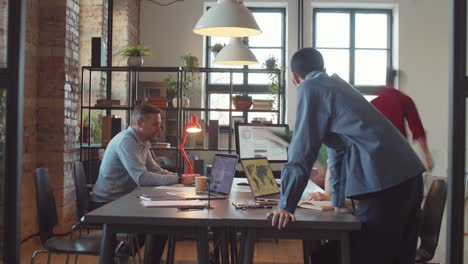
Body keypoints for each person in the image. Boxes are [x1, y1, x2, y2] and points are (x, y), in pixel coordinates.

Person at [267, 48, 425, 264]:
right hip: (410, 178)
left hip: (386, 185)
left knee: (335, 257)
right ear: (324, 69)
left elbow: (302, 148)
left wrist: (286, 205)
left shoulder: (310, 87)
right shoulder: (337, 86)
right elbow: (338, 149)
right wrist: (337, 200)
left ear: (295, 78)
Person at [91, 104, 193, 263]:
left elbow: (155, 169)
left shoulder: (142, 141)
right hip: (108, 203)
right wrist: (179, 179)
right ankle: (132, 254)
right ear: (139, 123)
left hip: (126, 197)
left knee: (162, 217)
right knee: (161, 222)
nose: (159, 128)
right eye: (155, 124)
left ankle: (124, 251)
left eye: (159, 124)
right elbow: (142, 178)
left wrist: (182, 177)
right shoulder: (127, 141)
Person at [371, 68, 433, 171]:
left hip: (377, 154)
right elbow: (418, 131)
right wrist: (427, 155)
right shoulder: (405, 100)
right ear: (399, 82)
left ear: (386, 81)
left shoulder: (373, 103)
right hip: (400, 153)